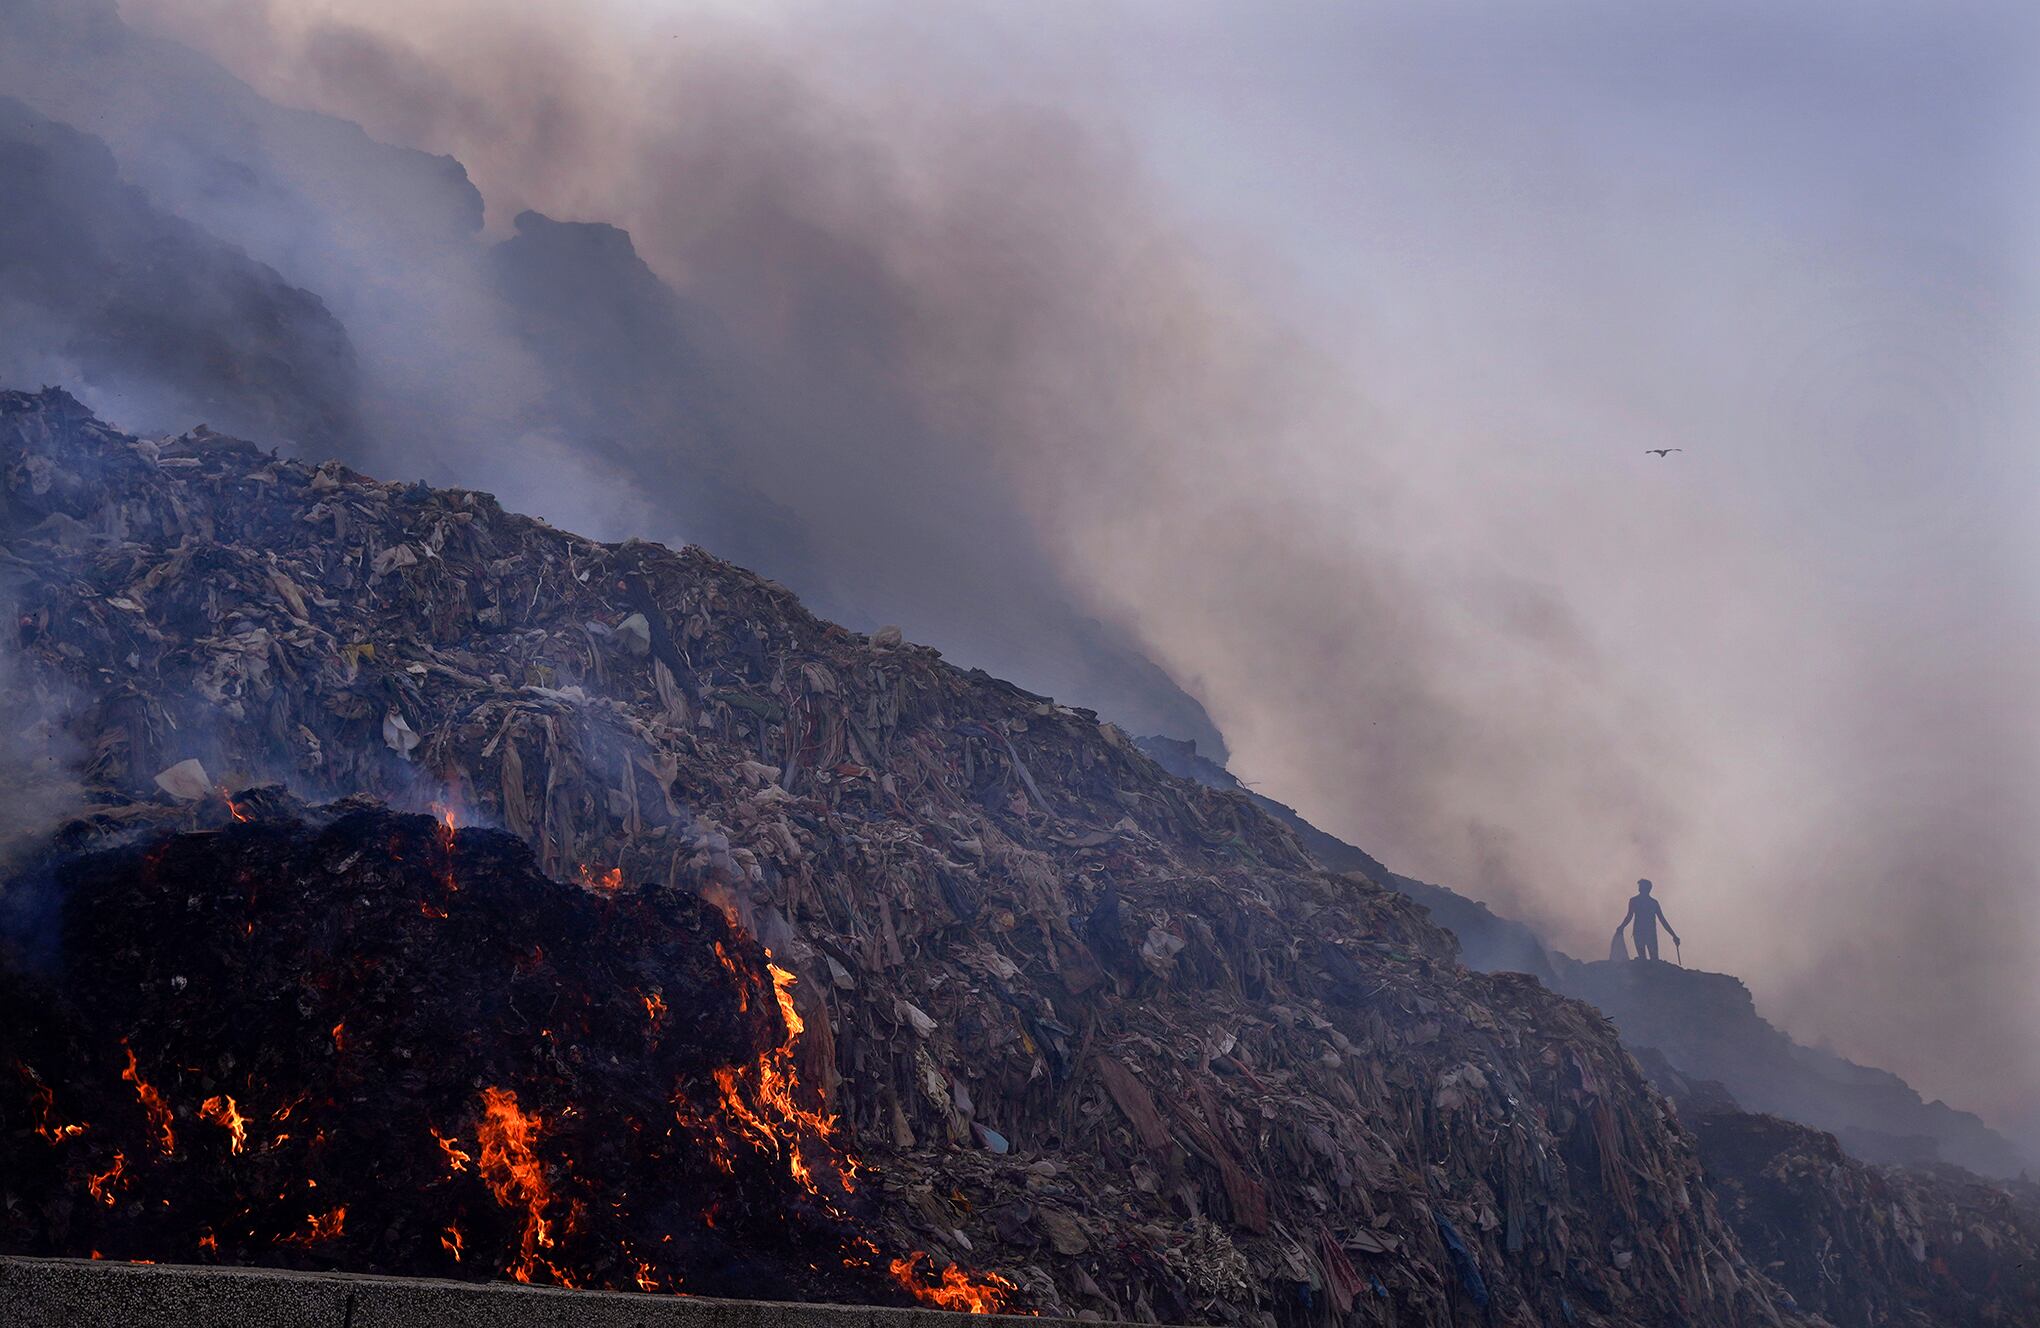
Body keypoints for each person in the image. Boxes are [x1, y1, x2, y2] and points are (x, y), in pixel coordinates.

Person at [1616, 878, 1679, 962]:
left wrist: (1673, 935)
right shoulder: (1648, 902)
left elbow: (1662, 920)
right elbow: (1629, 916)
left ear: (1647, 889)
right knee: (1648, 959)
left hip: (1645, 933)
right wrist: (1621, 926)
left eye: (1641, 887)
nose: (1639, 888)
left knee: (1650, 959)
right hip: (1644, 933)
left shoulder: (1643, 902)